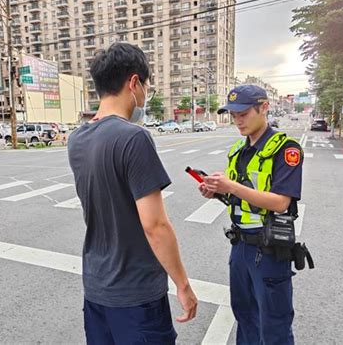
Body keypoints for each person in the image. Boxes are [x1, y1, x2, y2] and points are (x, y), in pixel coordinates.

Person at [67, 42, 197, 344]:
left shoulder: (77, 139)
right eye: (146, 87)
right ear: (134, 82)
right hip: (136, 294)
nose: (144, 96)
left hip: (97, 287)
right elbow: (155, 225)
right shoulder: (134, 137)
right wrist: (182, 284)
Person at [199, 85, 304, 345]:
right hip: (240, 247)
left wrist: (231, 186)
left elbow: (280, 202)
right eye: (233, 115)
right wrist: (217, 192)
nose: (238, 120)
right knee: (245, 317)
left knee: (273, 325)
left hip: (268, 250)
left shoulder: (285, 149)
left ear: (264, 107)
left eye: (243, 113)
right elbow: (241, 197)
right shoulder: (239, 149)